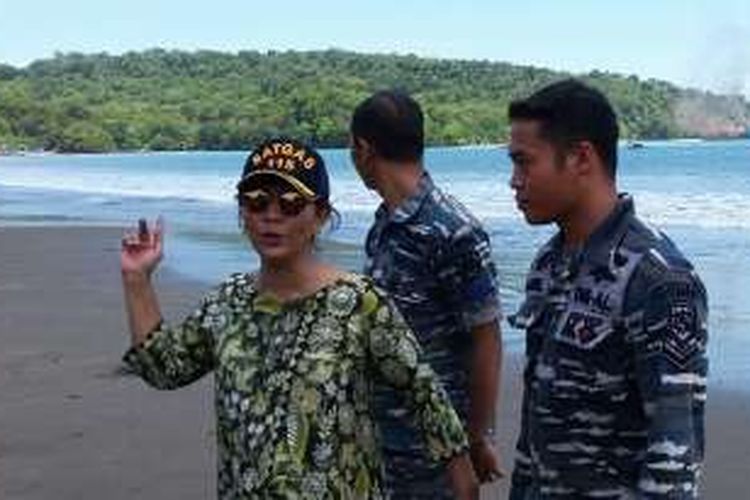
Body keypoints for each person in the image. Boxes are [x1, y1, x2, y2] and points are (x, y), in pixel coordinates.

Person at [120, 137, 480, 499]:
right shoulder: (228, 302)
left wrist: (463, 477)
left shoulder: (359, 303)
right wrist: (137, 280)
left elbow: (425, 394)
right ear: (242, 212)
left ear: (320, 215)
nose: (271, 216)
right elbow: (163, 367)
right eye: (257, 202)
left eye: (290, 204)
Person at [506, 79, 708, 499]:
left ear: (581, 158)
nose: (514, 181)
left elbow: (673, 462)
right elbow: (535, 427)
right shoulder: (549, 263)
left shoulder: (658, 281)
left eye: (525, 163)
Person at [349, 91, 504, 497]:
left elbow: (486, 338)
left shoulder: (453, 230)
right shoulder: (384, 225)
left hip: (437, 453)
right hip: (383, 442)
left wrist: (479, 436)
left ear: (363, 150)